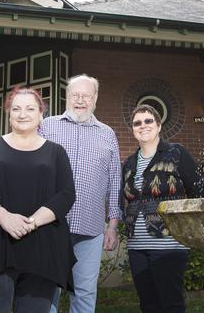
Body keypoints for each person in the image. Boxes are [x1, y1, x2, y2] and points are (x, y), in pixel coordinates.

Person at [0, 87, 76, 313]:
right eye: (16, 108)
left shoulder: (56, 152)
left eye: (29, 108)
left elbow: (66, 194)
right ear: (9, 114)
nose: (22, 114)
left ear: (40, 115)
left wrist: (31, 222)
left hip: (43, 245)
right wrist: (4, 218)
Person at [40, 74, 122, 313]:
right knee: (47, 291)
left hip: (91, 228)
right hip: (51, 226)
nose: (80, 100)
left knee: (85, 292)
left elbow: (115, 182)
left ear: (95, 99)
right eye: (75, 95)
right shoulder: (47, 126)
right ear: (67, 97)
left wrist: (112, 226)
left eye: (86, 95)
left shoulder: (107, 134)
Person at [121, 104, 204, 313]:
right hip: (137, 247)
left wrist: (191, 228)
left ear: (159, 126)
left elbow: (198, 193)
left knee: (171, 304)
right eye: (137, 123)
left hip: (170, 244)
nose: (143, 126)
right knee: (148, 304)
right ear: (132, 129)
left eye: (149, 121)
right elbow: (127, 200)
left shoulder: (176, 153)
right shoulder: (129, 163)